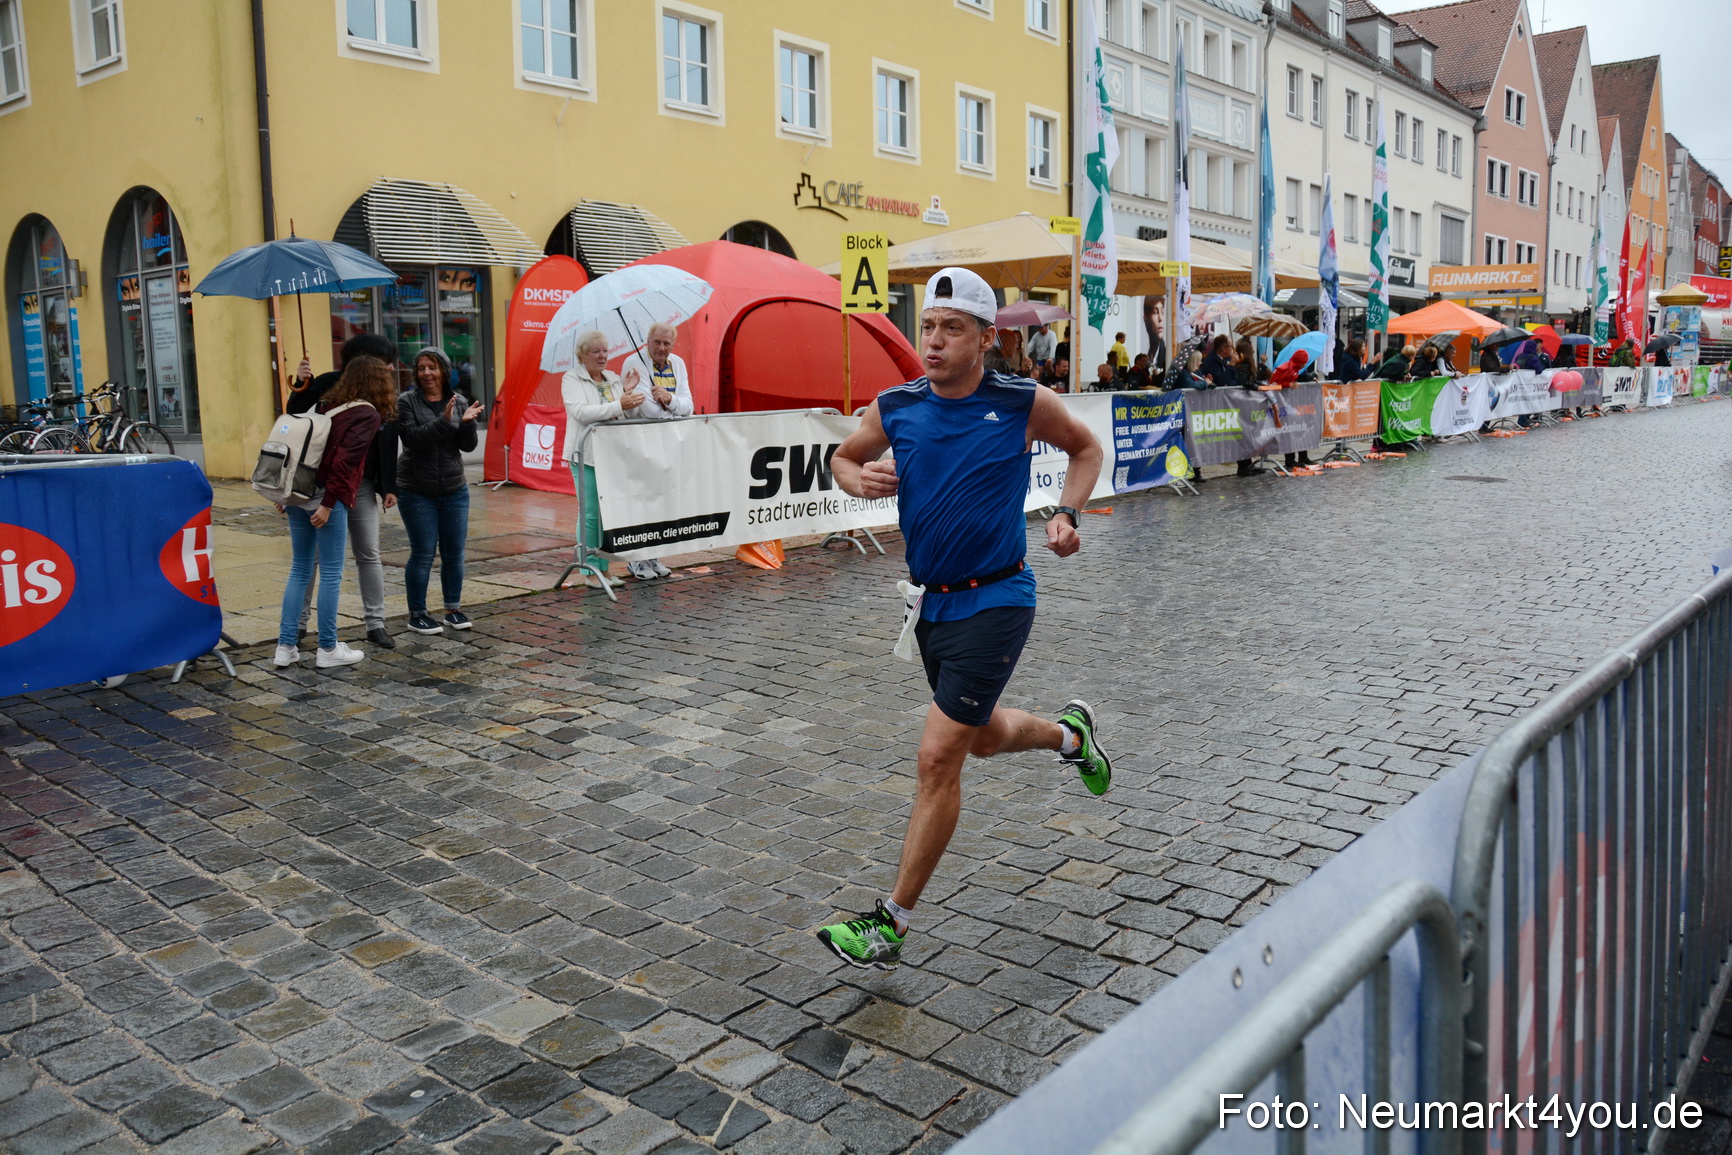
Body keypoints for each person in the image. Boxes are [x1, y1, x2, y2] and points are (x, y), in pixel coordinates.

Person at [813, 267, 1109, 971]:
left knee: (937, 754)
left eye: (952, 328)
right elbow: (843, 458)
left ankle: (891, 924)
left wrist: (1066, 513)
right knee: (977, 739)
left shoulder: (1020, 401)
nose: (935, 340)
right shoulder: (897, 405)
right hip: (933, 604)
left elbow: (1087, 448)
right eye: (928, 326)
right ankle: (1070, 736)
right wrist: (859, 478)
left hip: (1000, 597)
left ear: (984, 339)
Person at [273, 356, 390, 670]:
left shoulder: (326, 404)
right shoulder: (366, 413)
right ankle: (327, 648)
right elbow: (344, 464)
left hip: (298, 493)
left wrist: (286, 492)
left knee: (300, 569)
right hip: (326, 499)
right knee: (331, 574)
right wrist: (327, 505)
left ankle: (285, 647)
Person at [397, 347, 482, 635]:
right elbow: (413, 438)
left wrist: (467, 424)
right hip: (417, 489)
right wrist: (445, 422)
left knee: (454, 553)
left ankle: (452, 609)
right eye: (421, 368)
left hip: (453, 488)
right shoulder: (406, 401)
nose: (427, 373)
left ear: (444, 371)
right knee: (422, 553)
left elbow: (467, 446)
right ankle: (417, 614)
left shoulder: (458, 401)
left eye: (432, 367)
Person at [563, 330, 644, 587]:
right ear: (583, 355)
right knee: (588, 514)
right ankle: (588, 571)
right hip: (585, 455)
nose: (602, 356)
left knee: (604, 514)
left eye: (605, 351)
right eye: (596, 351)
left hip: (609, 455)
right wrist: (620, 403)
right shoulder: (571, 378)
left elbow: (626, 413)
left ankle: (604, 570)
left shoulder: (611, 378)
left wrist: (629, 395)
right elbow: (581, 412)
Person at [618, 322, 694, 580]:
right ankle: (635, 558)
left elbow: (689, 405)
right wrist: (672, 408)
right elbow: (647, 410)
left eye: (666, 343)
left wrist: (668, 399)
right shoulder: (634, 362)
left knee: (661, 500)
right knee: (640, 499)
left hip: (668, 442)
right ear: (647, 341)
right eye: (657, 343)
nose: (661, 348)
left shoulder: (678, 364)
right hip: (640, 443)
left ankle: (652, 554)